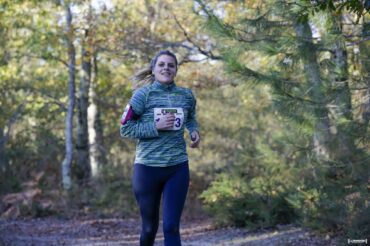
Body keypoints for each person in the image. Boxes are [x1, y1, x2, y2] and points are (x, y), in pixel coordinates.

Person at [120, 50, 200, 246]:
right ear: (154, 70)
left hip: (177, 167)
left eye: (171, 65)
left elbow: (190, 118)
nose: (166, 68)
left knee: (171, 226)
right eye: (161, 65)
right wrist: (156, 126)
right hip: (147, 169)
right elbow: (125, 128)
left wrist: (194, 131)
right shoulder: (142, 96)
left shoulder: (186, 96)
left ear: (176, 70)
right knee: (149, 228)